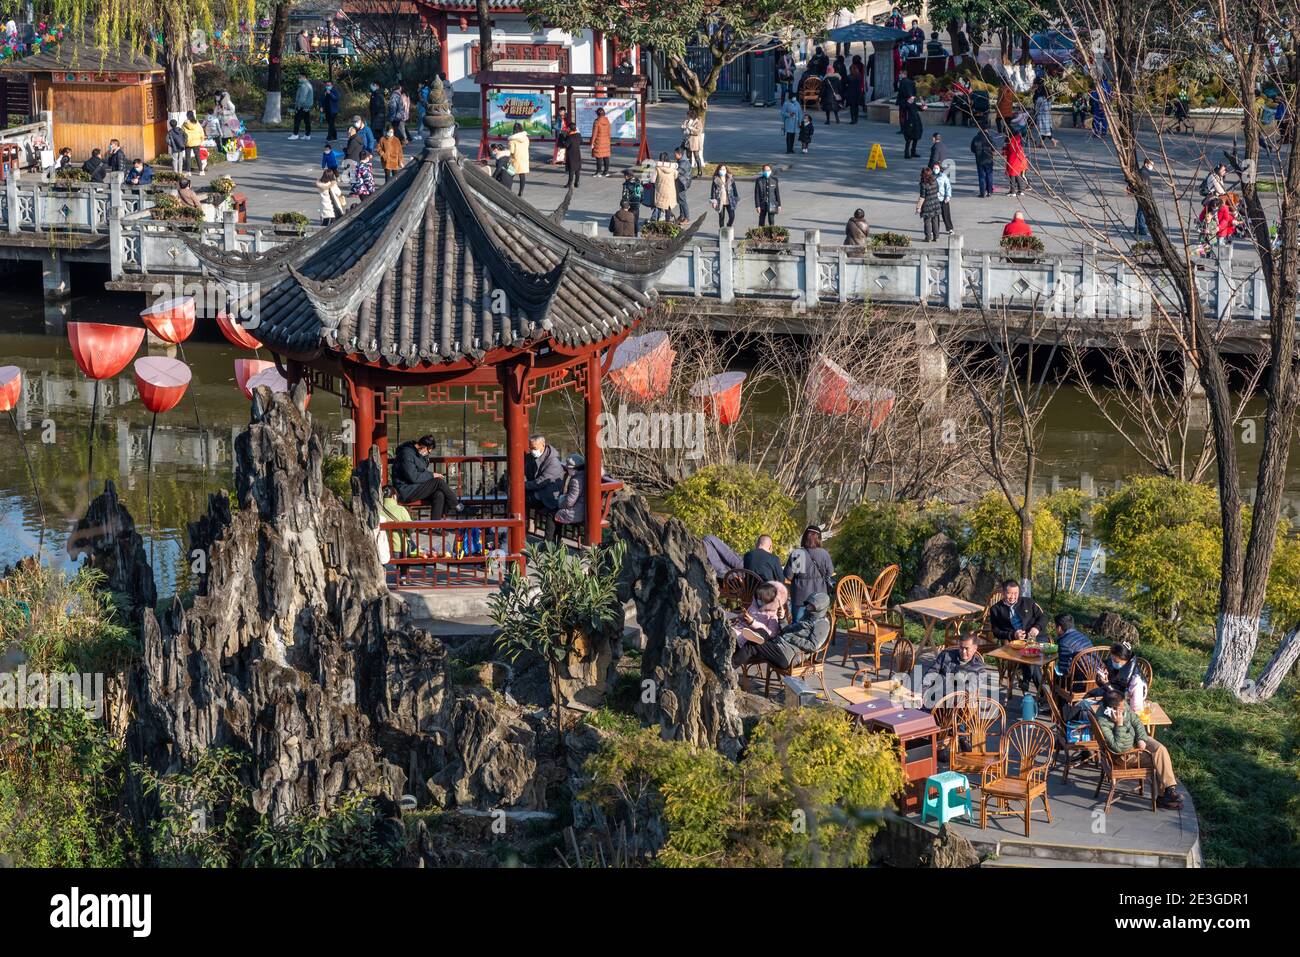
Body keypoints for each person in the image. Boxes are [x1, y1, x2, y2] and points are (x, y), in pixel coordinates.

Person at [1092, 689, 1183, 809]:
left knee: (1160, 749)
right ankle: (1163, 797)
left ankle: (1169, 790)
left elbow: (1136, 720)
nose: (1124, 708)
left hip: (1135, 740)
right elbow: (1119, 748)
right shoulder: (1103, 722)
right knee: (1158, 759)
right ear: (1111, 710)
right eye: (1121, 708)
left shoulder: (1121, 704)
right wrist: (1119, 725)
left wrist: (1141, 738)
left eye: (1124, 704)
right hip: (1123, 756)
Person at [732, 592, 832, 674]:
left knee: (752, 645)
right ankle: (732, 659)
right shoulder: (807, 617)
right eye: (808, 604)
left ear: (820, 608)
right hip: (779, 645)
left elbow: (813, 646)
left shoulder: (822, 623)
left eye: (812, 606)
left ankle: (728, 669)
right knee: (761, 633)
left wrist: (791, 638)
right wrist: (782, 618)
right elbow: (786, 630)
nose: (808, 607)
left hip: (788, 654)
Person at [987, 579, 1046, 690]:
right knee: (1031, 658)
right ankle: (1042, 694)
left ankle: (1027, 680)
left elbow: (1043, 617)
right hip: (1017, 642)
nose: (1013, 597)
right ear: (1003, 593)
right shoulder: (995, 610)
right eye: (1010, 593)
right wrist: (1013, 634)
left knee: (1031, 655)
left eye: (1016, 593)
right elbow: (996, 632)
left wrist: (1036, 628)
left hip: (1037, 637)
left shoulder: (1028, 602)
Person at [392, 434, 463, 519]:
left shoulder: (418, 454)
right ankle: (456, 504)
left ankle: (434, 527)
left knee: (439, 494)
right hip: (405, 490)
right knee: (438, 481)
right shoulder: (406, 454)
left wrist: (425, 459)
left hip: (413, 487)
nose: (429, 453)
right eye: (429, 450)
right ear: (423, 447)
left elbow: (421, 470)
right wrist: (432, 475)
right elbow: (413, 477)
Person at [783, 525, 834, 620]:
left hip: (801, 597)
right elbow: (830, 572)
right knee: (817, 628)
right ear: (819, 539)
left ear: (804, 537)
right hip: (819, 598)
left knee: (797, 628)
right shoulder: (824, 554)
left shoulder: (798, 553)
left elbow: (788, 576)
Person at [524, 433, 565, 540]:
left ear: (543, 445)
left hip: (549, 496)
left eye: (534, 448)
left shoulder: (553, 462)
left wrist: (522, 485)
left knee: (521, 498)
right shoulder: (535, 457)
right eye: (530, 448)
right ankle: (521, 528)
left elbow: (540, 482)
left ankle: (520, 529)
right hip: (541, 491)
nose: (532, 451)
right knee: (518, 496)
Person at [1051, 613, 1094, 692]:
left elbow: (1064, 671)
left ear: (1059, 628)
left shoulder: (1064, 642)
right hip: (1093, 678)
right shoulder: (1083, 636)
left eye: (1055, 626)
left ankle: (1061, 702)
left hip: (1078, 683)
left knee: (1052, 673)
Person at [552, 453, 590, 539]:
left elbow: (569, 502)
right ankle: (555, 541)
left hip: (576, 513)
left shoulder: (576, 481)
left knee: (552, 514)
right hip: (582, 509)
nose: (567, 469)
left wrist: (560, 502)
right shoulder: (583, 475)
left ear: (574, 469)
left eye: (568, 468)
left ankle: (550, 542)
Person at [916, 166, 941, 242]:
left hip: (927, 205)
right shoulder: (935, 180)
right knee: (935, 220)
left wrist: (918, 207)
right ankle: (936, 237)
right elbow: (937, 190)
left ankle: (928, 237)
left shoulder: (923, 184)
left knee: (927, 221)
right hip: (936, 203)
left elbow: (922, 197)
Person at [1132, 156, 1155, 237]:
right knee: (1142, 212)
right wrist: (1149, 196)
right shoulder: (1144, 173)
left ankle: (1137, 228)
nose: (1152, 167)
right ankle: (1141, 229)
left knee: (1141, 211)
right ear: (1146, 164)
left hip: (1142, 195)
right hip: (1144, 196)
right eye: (1151, 165)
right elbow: (1145, 187)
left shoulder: (1144, 172)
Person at [971, 124, 996, 197]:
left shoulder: (976, 138)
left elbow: (972, 149)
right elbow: (994, 148)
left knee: (982, 176)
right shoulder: (989, 137)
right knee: (989, 175)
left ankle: (982, 192)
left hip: (979, 159)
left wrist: (977, 153)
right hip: (988, 159)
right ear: (986, 130)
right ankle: (989, 191)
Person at [710, 163, 738, 231]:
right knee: (721, 217)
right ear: (718, 170)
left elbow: (734, 188)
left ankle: (728, 226)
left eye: (724, 169)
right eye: (721, 169)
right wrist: (714, 201)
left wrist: (736, 197)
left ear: (726, 170)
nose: (722, 171)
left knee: (732, 216)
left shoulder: (730, 178)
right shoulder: (715, 179)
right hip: (720, 201)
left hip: (729, 200)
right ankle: (722, 232)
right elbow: (713, 191)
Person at [652, 152, 678, 222]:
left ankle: (657, 222)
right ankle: (667, 222)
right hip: (670, 190)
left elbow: (652, 180)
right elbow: (676, 176)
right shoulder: (672, 168)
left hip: (661, 190)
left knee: (659, 206)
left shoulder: (657, 168)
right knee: (668, 207)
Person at [1003, 130, 1028, 196]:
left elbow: (1009, 150)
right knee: (1017, 174)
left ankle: (1012, 191)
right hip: (1020, 158)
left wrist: (1004, 151)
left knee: (1012, 174)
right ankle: (1020, 190)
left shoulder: (1010, 140)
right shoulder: (1018, 138)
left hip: (1013, 159)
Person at [508, 123, 530, 197]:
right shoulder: (526, 138)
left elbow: (512, 151)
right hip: (524, 158)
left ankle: (508, 190)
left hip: (515, 159)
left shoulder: (512, 140)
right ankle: (521, 191)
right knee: (522, 175)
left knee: (510, 174)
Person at [290, 75, 315, 140]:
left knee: (297, 120)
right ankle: (307, 135)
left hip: (302, 106)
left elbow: (302, 97)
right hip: (307, 106)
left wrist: (298, 105)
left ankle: (295, 134)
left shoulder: (304, 86)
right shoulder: (308, 84)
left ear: (304, 78)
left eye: (300, 77)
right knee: (307, 121)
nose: (299, 78)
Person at [672, 147, 692, 223]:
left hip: (683, 183)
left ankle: (687, 218)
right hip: (680, 182)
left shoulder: (684, 162)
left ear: (680, 154)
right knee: (680, 200)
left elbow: (678, 171)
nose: (674, 155)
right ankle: (682, 216)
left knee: (682, 200)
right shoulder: (680, 160)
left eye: (675, 154)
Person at [590, 107, 611, 177]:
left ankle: (598, 172)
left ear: (597, 114)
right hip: (606, 141)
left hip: (599, 142)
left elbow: (594, 133)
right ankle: (606, 172)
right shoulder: (607, 121)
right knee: (606, 157)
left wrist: (592, 142)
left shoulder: (597, 121)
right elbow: (609, 132)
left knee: (599, 157)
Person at [933, 163, 954, 234]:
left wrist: (948, 196)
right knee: (935, 216)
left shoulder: (943, 176)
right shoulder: (931, 176)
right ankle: (935, 230)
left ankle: (950, 229)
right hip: (935, 199)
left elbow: (948, 186)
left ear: (939, 169)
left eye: (936, 168)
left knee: (946, 214)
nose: (935, 169)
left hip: (943, 198)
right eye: (934, 168)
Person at [621, 168, 643, 233]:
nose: (624, 177)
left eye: (624, 175)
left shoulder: (626, 184)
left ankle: (630, 232)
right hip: (637, 203)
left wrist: (624, 205)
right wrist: (640, 201)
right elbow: (642, 193)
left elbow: (625, 196)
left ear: (627, 176)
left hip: (629, 204)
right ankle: (636, 233)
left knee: (629, 220)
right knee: (636, 220)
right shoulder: (638, 181)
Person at [1032, 79, 1053, 148]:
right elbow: (1035, 101)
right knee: (1042, 130)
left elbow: (1047, 105)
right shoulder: (1037, 92)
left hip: (1044, 115)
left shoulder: (1044, 93)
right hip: (1040, 114)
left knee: (1043, 129)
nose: (1034, 85)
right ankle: (1042, 143)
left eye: (1035, 84)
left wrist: (1038, 108)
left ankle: (1046, 142)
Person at [846, 55, 865, 124]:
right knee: (856, 106)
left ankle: (852, 119)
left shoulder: (849, 77)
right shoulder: (859, 76)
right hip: (858, 92)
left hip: (851, 93)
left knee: (852, 107)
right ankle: (856, 119)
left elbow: (846, 83)